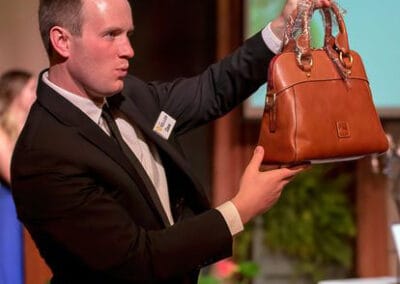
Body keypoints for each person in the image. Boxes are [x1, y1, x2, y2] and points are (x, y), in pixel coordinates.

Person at [11, 0, 331, 283]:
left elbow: (210, 91)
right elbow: (138, 260)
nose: (128, 50)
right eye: (111, 35)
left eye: (128, 34)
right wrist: (241, 208)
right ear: (62, 41)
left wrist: (280, 28)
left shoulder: (128, 94)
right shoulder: (44, 154)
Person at [0, 70, 36, 284]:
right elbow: (15, 176)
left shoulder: (31, 128)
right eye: (31, 89)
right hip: (7, 211)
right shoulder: (1, 132)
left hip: (28, 209)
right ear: (16, 92)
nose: (36, 94)